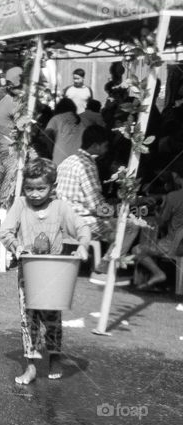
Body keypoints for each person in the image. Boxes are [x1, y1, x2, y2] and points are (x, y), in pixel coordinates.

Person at [0, 158, 90, 384]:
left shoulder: (60, 207)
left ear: (53, 188)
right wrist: (16, 246)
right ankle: (30, 366)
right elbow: (5, 231)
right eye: (29, 188)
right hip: (28, 271)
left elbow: (82, 227)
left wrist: (83, 246)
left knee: (52, 317)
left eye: (41, 188)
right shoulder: (20, 204)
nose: (35, 194)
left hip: (54, 272)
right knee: (27, 318)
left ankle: (54, 357)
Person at [56, 124, 140, 285]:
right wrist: (118, 213)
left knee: (116, 226)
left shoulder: (67, 161)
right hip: (81, 221)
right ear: (95, 145)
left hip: (63, 217)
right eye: (105, 145)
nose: (107, 149)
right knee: (130, 226)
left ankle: (103, 262)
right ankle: (103, 269)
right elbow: (96, 206)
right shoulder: (87, 165)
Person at [134, 162, 183, 289]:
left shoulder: (174, 197)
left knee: (138, 249)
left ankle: (158, 273)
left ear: (176, 176)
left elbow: (161, 221)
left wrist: (157, 211)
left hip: (173, 245)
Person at [0, 66, 24, 207]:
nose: (24, 89)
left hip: (5, 150)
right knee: (10, 187)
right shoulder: (12, 103)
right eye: (21, 86)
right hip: (10, 153)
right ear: (11, 86)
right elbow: (23, 126)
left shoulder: (6, 100)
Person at [43, 97, 83, 166]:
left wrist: (50, 152)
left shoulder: (56, 118)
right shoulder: (82, 121)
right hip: (78, 162)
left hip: (59, 161)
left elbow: (47, 135)